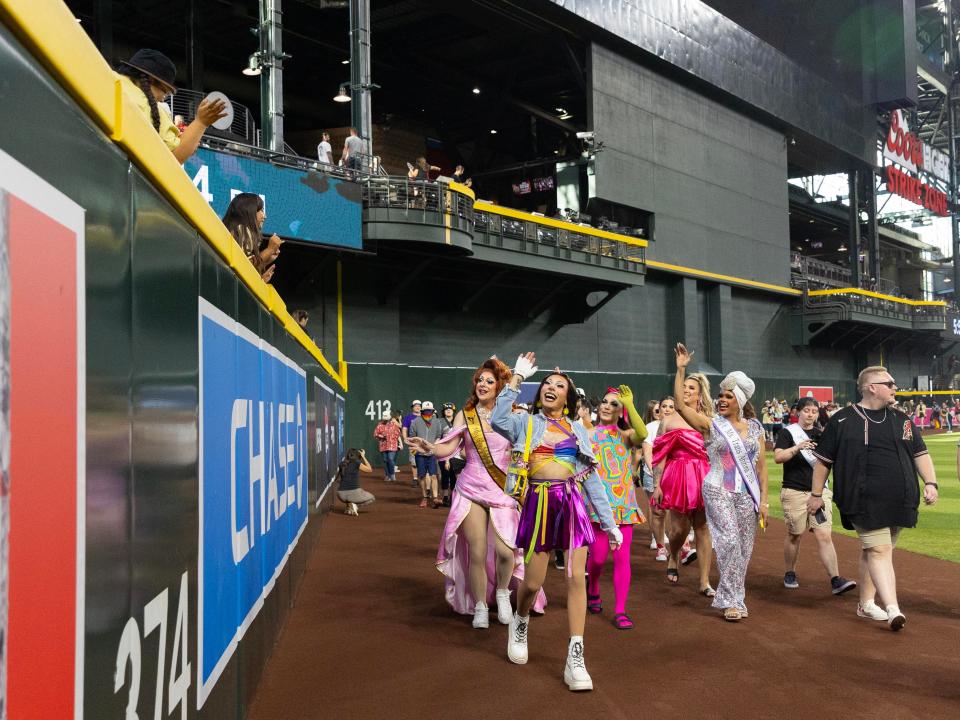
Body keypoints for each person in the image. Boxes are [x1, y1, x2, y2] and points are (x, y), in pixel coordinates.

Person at [491, 353, 622, 692]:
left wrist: (609, 523)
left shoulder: (579, 430)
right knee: (533, 584)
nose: (550, 387)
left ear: (569, 397)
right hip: (538, 503)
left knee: (577, 576)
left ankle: (575, 656)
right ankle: (520, 621)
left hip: (572, 503)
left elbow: (591, 480)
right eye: (547, 383)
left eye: (559, 385)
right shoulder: (526, 423)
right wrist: (516, 378)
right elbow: (496, 419)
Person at [407, 358, 546, 628]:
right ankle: (481, 604)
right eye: (479, 380)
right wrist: (430, 448)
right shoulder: (465, 414)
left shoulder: (515, 414)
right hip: (470, 487)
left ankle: (503, 592)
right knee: (477, 551)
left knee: (507, 552)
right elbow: (449, 449)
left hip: (503, 489)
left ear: (500, 386)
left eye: (489, 381)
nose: (482, 384)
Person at [808, 366, 938, 631]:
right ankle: (893, 608)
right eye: (889, 383)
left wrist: (931, 483)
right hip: (861, 500)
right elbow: (823, 462)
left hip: (899, 500)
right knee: (880, 550)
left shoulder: (902, 419)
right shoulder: (842, 420)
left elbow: (920, 454)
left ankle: (866, 603)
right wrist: (816, 494)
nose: (894, 387)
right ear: (871, 387)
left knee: (875, 550)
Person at [671, 344, 768, 621]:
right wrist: (681, 369)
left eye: (728, 396)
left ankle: (736, 596)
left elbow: (760, 468)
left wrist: (764, 501)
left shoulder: (757, 429)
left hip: (746, 495)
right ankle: (730, 601)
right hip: (717, 489)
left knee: (744, 549)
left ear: (740, 400)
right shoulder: (711, 424)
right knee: (729, 543)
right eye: (720, 395)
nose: (722, 400)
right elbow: (680, 404)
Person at [774, 397, 856, 594]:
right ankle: (790, 572)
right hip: (794, 490)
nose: (810, 414)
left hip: (819, 492)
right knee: (795, 534)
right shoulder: (788, 433)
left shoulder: (822, 434)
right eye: (806, 410)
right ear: (798, 412)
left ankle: (836, 579)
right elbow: (778, 457)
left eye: (814, 411)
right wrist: (798, 447)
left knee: (824, 535)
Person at [585, 386, 648, 630]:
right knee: (598, 558)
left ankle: (621, 610)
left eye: (614, 404)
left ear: (621, 412)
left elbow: (642, 433)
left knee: (622, 559)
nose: (607, 406)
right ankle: (593, 587)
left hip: (624, 508)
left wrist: (630, 405)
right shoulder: (588, 435)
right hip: (597, 509)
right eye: (604, 402)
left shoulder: (626, 436)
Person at [651, 369, 714, 596]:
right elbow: (660, 455)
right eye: (684, 387)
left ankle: (704, 582)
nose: (686, 391)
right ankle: (674, 554)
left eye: (691, 388)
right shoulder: (667, 420)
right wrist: (657, 484)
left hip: (704, 475)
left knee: (703, 528)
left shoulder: (708, 420)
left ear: (700, 394)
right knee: (678, 530)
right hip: (677, 475)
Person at [116, 49, 226, 164]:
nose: (163, 98)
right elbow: (172, 160)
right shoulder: (151, 108)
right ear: (150, 79)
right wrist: (201, 122)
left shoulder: (110, 81)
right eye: (165, 91)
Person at [221, 193, 283, 282]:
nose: (265, 216)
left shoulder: (236, 230)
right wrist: (269, 250)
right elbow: (242, 266)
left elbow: (242, 270)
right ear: (249, 211)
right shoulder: (241, 229)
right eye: (261, 210)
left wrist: (265, 263)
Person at [641, 398, 669, 560]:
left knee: (671, 510)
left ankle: (682, 545)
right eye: (662, 407)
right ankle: (657, 539)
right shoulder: (650, 428)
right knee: (656, 509)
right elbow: (647, 453)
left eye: (669, 407)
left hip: (671, 475)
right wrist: (655, 473)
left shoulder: (677, 426)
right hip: (653, 475)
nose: (665, 410)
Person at [408, 401, 445, 508]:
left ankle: (435, 498)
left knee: (434, 475)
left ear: (433, 411)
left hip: (432, 454)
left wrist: (432, 447)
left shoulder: (437, 422)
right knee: (422, 476)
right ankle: (425, 497)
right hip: (419, 455)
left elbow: (439, 436)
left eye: (430, 411)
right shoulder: (415, 422)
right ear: (422, 411)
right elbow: (412, 438)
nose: (428, 413)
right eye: (426, 411)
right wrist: (416, 451)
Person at [438, 403, 463, 506]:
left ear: (454, 411)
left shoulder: (458, 422)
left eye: (450, 409)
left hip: (455, 452)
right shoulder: (440, 422)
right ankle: (445, 496)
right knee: (444, 474)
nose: (448, 411)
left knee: (453, 476)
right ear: (443, 412)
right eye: (446, 409)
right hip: (443, 452)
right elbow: (438, 438)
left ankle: (453, 497)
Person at [336, 448, 375, 516]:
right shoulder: (356, 462)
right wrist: (363, 457)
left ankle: (349, 507)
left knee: (359, 491)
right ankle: (354, 505)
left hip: (340, 494)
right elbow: (369, 469)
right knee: (372, 498)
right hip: (352, 493)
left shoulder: (342, 463)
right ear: (358, 455)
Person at [373, 410, 401, 482]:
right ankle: (387, 475)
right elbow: (375, 434)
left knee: (390, 459)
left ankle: (392, 474)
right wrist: (381, 436)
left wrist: (400, 443)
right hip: (383, 445)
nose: (385, 420)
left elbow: (398, 434)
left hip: (392, 445)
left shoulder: (394, 424)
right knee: (385, 460)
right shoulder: (379, 425)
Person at [402, 400, 422, 486]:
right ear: (412, 407)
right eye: (415, 406)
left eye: (419, 406)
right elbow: (404, 428)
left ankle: (423, 478)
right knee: (414, 462)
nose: (417, 407)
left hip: (424, 443)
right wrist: (405, 438)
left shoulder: (426, 416)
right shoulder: (408, 417)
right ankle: (415, 478)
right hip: (413, 443)